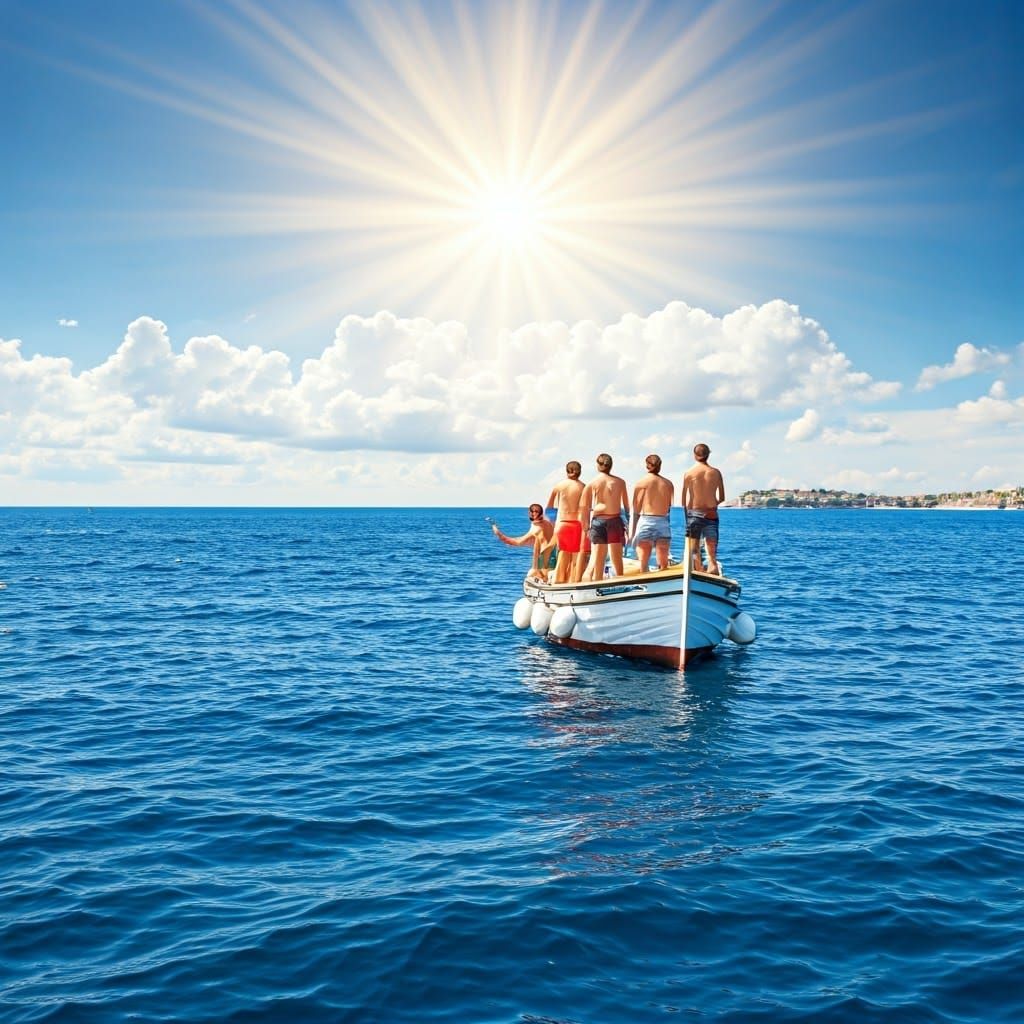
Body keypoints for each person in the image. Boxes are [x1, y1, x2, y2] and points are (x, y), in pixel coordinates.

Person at [581, 453, 630, 580]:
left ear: (598, 465)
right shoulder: (620, 482)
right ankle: (620, 582)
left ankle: (597, 584)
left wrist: (586, 527)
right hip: (614, 520)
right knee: (617, 558)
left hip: (598, 521)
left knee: (599, 558)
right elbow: (626, 506)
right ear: (611, 465)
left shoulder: (592, 483)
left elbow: (584, 507)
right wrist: (628, 524)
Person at [682, 443, 725, 574]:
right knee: (712, 552)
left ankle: (698, 571)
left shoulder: (689, 474)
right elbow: (722, 497)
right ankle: (713, 570)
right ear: (708, 455)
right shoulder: (716, 473)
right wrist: (713, 506)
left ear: (695, 456)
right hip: (712, 514)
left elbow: (684, 501)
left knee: (695, 550)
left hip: (694, 514)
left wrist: (687, 519)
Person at [631, 453, 674, 573]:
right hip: (663, 522)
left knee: (643, 565)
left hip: (646, 521)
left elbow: (636, 509)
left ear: (647, 466)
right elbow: (669, 507)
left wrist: (633, 532)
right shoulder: (668, 484)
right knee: (664, 564)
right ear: (660, 466)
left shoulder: (641, 483)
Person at [545, 461, 587, 584]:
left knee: (562, 554)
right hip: (577, 524)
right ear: (580, 472)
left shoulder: (559, 486)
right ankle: (572, 582)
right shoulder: (584, 487)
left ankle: (558, 581)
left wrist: (553, 524)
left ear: (567, 471)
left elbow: (549, 508)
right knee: (576, 556)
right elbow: (586, 508)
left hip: (562, 523)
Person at [492, 504, 557, 582]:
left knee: (531, 576)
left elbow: (516, 542)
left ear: (530, 513)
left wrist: (497, 532)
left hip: (544, 561)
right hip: (554, 557)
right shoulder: (548, 524)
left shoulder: (536, 528)